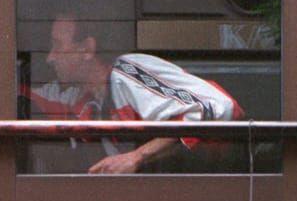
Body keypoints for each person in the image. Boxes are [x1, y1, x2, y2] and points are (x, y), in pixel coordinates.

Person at [25, 14, 245, 174]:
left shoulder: (127, 73)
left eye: (57, 45)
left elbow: (218, 107)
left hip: (216, 187)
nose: (49, 58)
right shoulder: (79, 96)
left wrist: (136, 156)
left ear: (86, 50)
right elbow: (25, 95)